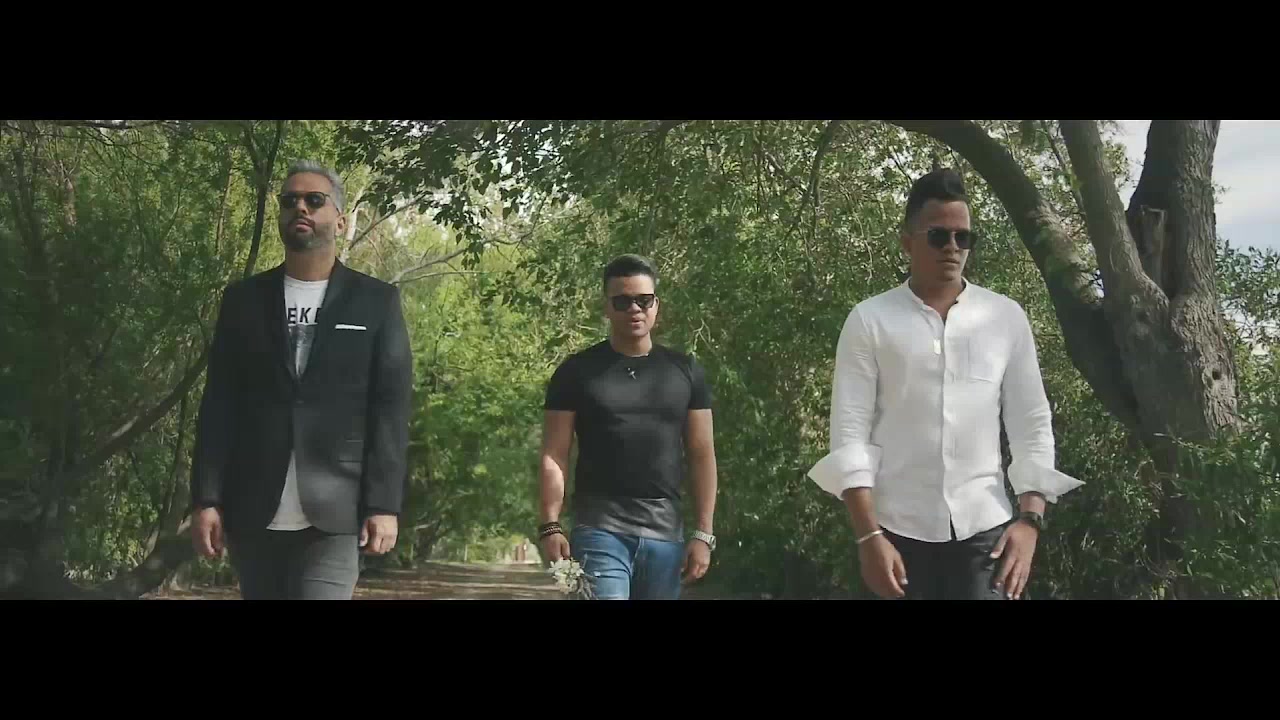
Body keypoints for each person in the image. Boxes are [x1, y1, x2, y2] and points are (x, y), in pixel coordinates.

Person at [808, 168, 1083, 600]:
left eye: (963, 237)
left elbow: (1031, 422)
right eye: (938, 236)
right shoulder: (870, 321)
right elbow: (849, 435)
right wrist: (868, 537)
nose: (953, 247)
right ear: (908, 242)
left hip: (985, 534)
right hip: (896, 536)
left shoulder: (1004, 317)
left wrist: (1030, 521)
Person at [189, 159, 413, 600]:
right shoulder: (243, 301)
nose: (301, 208)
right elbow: (219, 405)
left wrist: (384, 504)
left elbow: (390, 409)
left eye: (314, 200)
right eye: (290, 201)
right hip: (253, 509)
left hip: (336, 513)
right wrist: (206, 498)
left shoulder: (377, 301)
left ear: (341, 220)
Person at [536, 254, 718, 600]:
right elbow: (555, 454)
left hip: (666, 536)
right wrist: (550, 525)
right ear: (606, 307)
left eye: (643, 300)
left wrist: (703, 534)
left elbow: (701, 454)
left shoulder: (686, 372)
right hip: (599, 529)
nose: (634, 309)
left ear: (656, 305)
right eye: (622, 301)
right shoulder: (576, 372)